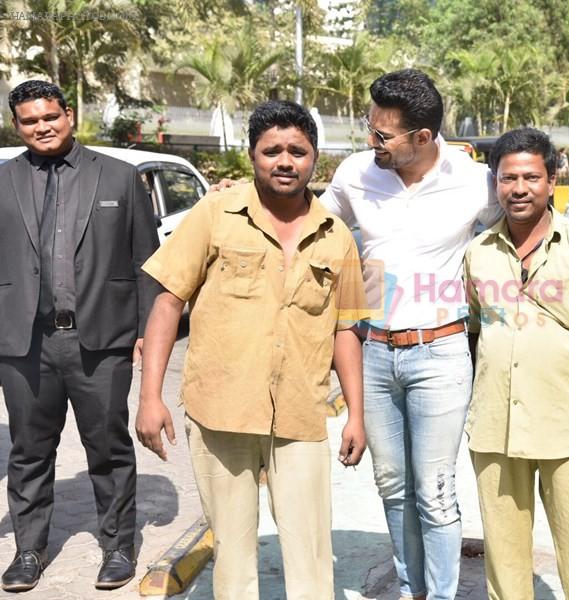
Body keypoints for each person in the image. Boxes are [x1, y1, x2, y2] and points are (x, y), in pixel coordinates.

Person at [212, 68, 569, 599]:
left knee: (434, 492)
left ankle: (442, 593)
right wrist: (240, 193)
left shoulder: (474, 179)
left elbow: (535, 208)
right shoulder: (358, 173)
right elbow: (305, 215)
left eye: (383, 134)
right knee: (393, 487)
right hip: (376, 354)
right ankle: (411, 589)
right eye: (371, 128)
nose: (371, 141)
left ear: (423, 138)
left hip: (442, 352)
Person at [134, 100, 367, 600]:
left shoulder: (338, 236)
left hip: (301, 415)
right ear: (252, 155)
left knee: (310, 552)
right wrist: (149, 397)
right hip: (220, 409)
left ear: (314, 158)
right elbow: (168, 300)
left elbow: (347, 328)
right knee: (233, 556)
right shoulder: (215, 213)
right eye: (272, 150)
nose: (285, 161)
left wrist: (356, 415)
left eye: (298, 151)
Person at [0, 80, 160, 592]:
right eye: (29, 120)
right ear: (16, 125)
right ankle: (29, 551)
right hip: (23, 343)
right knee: (27, 452)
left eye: (50, 116)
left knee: (108, 448)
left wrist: (146, 333)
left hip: (102, 340)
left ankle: (117, 546)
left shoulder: (119, 176)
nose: (42, 127)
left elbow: (147, 263)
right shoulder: (3, 181)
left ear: (69, 115)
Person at [463, 128, 569, 599]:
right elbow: (477, 334)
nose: (519, 189)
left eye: (531, 177)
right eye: (508, 178)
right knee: (505, 561)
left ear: (551, 178)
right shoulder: (478, 254)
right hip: (497, 430)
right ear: (495, 182)